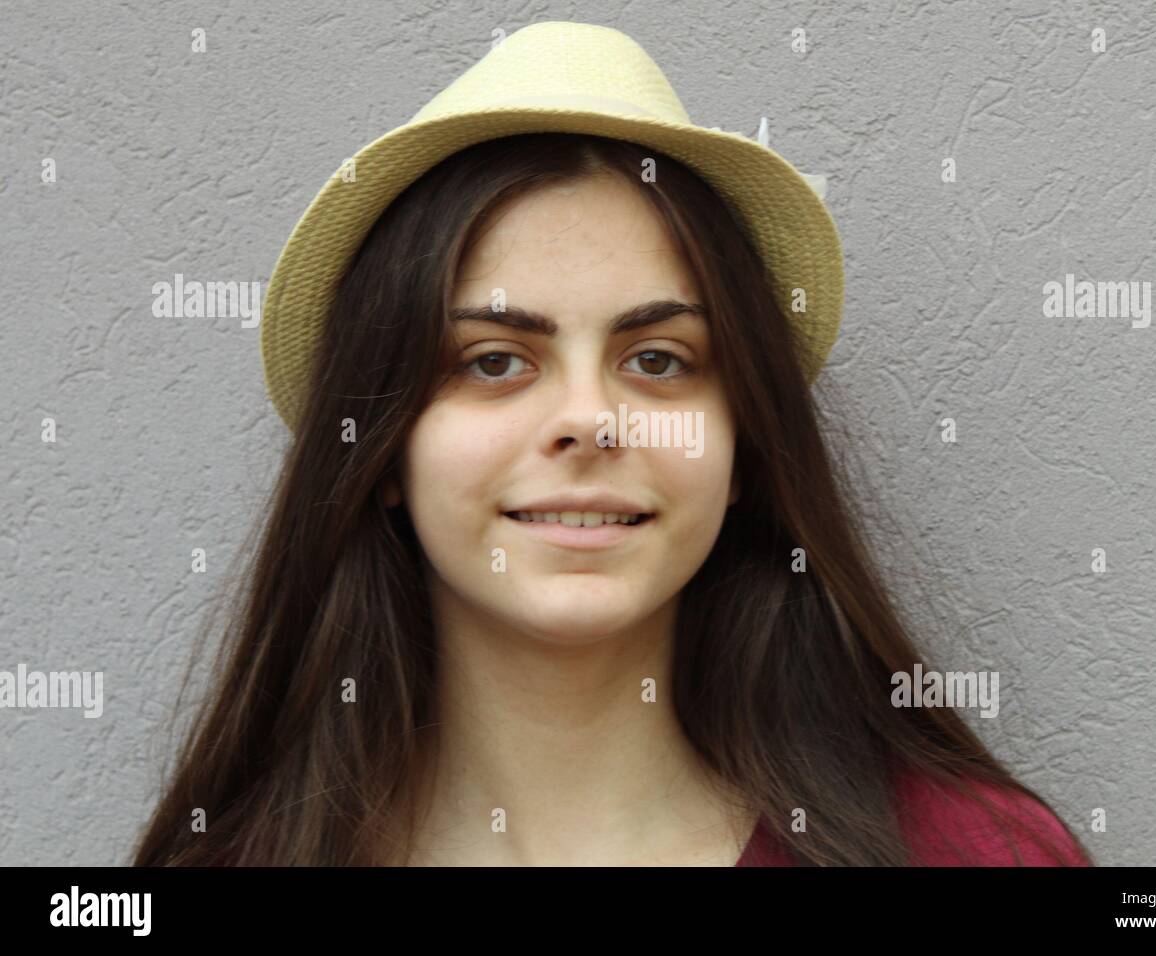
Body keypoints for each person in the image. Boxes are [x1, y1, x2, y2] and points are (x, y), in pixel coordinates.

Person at [132, 22, 1091, 867]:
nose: (590, 420)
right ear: (382, 451)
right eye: (496, 361)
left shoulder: (975, 857)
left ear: (744, 445)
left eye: (661, 360)